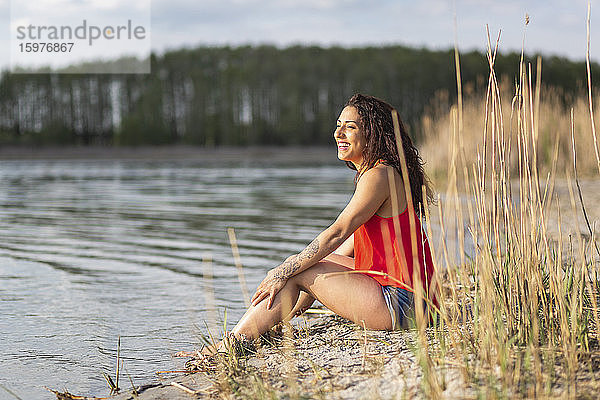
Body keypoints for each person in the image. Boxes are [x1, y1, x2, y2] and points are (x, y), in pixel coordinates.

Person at [180, 93, 438, 358]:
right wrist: (296, 266)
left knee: (300, 270)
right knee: (307, 264)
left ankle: (230, 345)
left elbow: (337, 232)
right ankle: (267, 327)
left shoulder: (379, 175)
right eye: (338, 125)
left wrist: (282, 271)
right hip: (414, 298)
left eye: (350, 127)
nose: (338, 133)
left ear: (373, 133)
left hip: (403, 304)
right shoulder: (382, 172)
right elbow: (346, 245)